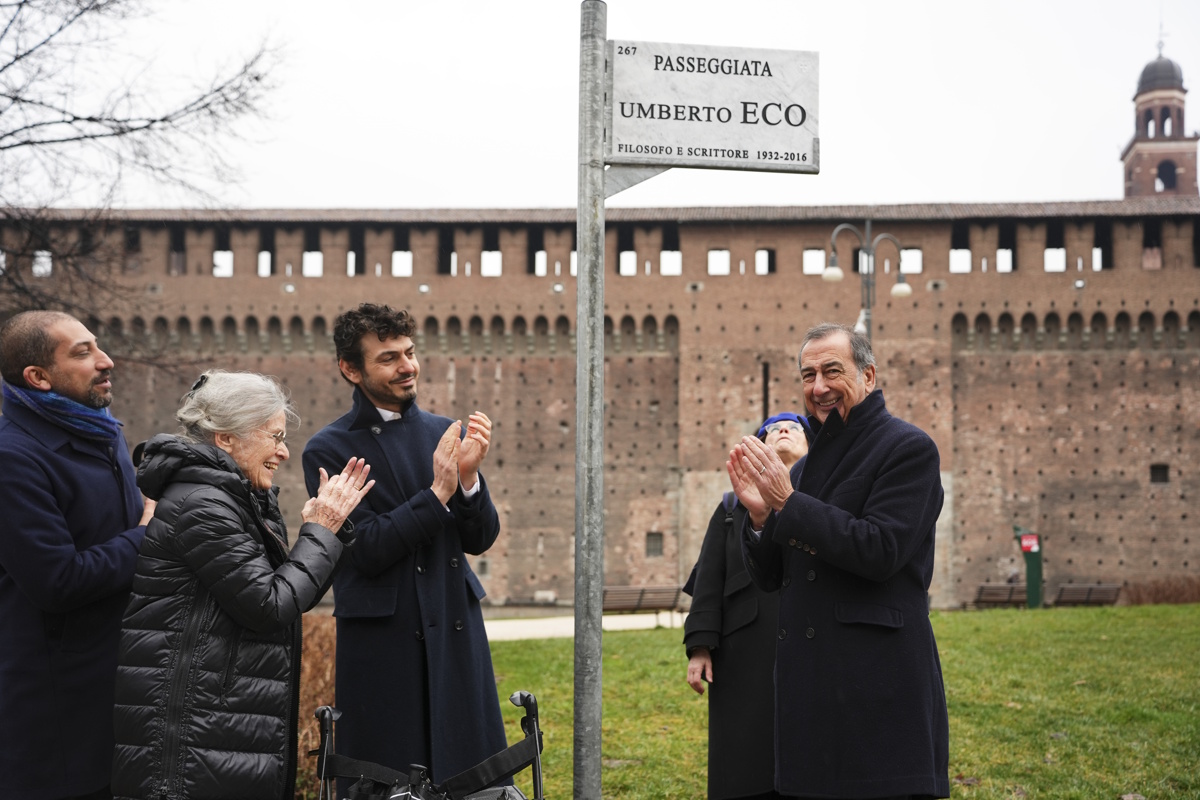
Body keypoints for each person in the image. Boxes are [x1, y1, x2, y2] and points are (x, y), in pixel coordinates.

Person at [111, 370, 374, 800]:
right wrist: (320, 531)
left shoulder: (236, 500)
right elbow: (269, 605)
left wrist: (330, 532)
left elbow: (290, 596)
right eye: (275, 436)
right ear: (226, 438)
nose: (284, 451)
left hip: (216, 730)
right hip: (192, 745)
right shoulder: (202, 506)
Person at [728, 323, 949, 800]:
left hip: (876, 686)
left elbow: (881, 549)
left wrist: (789, 503)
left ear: (868, 376)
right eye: (808, 376)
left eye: (832, 371)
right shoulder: (806, 468)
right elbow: (773, 577)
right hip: (810, 693)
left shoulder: (908, 449)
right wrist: (761, 517)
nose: (819, 388)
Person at [302, 303, 507, 786]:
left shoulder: (444, 431)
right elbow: (366, 549)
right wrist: (437, 494)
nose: (407, 366)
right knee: (388, 781)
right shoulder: (329, 448)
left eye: (409, 353)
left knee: (469, 780)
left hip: (454, 633)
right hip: (385, 646)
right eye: (389, 358)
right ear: (351, 369)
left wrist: (469, 481)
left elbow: (481, 539)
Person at [0, 310, 154, 800]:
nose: (106, 361)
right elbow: (57, 581)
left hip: (116, 697)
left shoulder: (102, 433)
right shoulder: (12, 458)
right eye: (83, 353)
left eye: (98, 346)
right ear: (38, 377)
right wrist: (146, 534)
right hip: (54, 720)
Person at [684, 412, 809, 800]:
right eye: (772, 430)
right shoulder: (729, 509)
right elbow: (709, 579)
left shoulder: (824, 504)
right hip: (743, 650)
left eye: (795, 428)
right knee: (743, 750)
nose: (783, 430)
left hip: (809, 642)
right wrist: (700, 646)